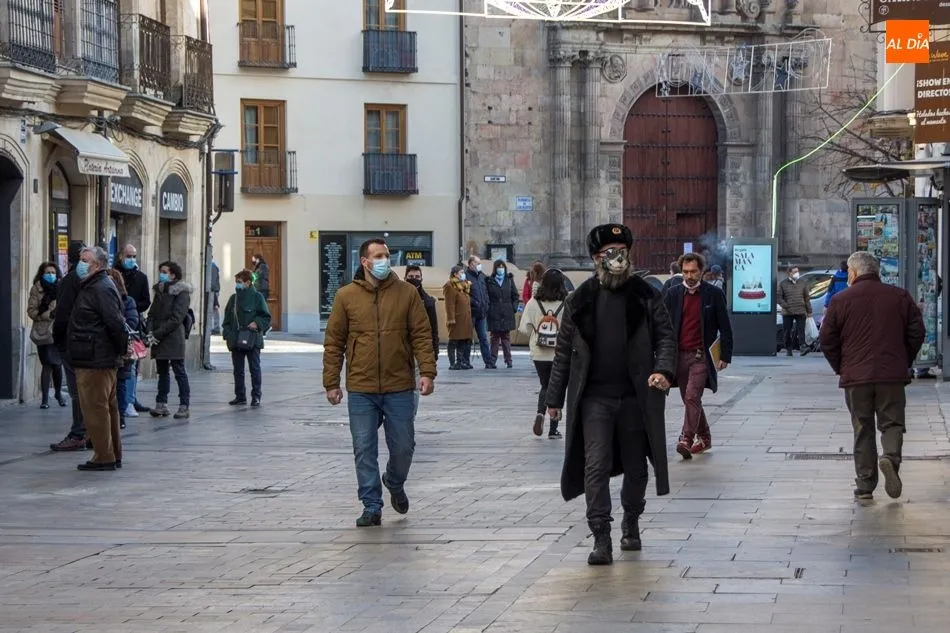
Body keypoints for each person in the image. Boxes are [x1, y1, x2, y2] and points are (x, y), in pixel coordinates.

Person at [546, 224, 677, 565]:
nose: (617, 257)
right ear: (596, 258)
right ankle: (601, 536)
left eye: (622, 250)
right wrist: (552, 402)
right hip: (594, 399)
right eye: (609, 252)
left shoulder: (647, 294)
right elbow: (562, 354)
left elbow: (665, 337)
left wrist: (663, 370)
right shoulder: (579, 299)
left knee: (637, 468)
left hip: (636, 397)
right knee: (596, 465)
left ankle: (631, 521)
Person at [323, 238, 437, 527]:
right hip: (361, 388)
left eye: (386, 255)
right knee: (363, 447)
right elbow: (334, 342)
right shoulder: (345, 296)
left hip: (399, 385)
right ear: (365, 262)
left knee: (404, 447)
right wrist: (331, 382)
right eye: (378, 256)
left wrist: (427, 372)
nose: (384, 260)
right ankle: (371, 506)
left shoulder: (407, 293)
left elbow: (422, 335)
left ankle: (394, 481)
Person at [820, 251, 925, 501]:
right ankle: (889, 457)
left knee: (862, 428)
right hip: (891, 376)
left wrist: (841, 366)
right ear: (877, 272)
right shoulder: (899, 296)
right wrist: (903, 360)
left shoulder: (840, 300)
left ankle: (865, 487)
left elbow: (826, 340)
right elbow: (917, 332)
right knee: (892, 424)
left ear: (853, 273)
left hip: (856, 377)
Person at [664, 253, 734, 459]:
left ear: (701, 271)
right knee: (690, 400)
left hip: (701, 356)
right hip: (679, 356)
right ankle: (704, 437)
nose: (689, 276)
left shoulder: (713, 294)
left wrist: (725, 356)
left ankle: (686, 438)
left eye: (693, 271)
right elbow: (663, 326)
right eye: (685, 272)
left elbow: (725, 327)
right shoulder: (673, 294)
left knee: (692, 396)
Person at [68, 247, 128, 471]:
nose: (80, 264)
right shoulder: (96, 285)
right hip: (96, 355)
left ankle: (104, 456)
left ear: (98, 265)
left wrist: (120, 351)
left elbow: (115, 323)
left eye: (85, 260)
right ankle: (111, 453)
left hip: (95, 358)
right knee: (105, 409)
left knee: (95, 409)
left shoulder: (100, 287)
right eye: (81, 260)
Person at [518, 268, 567, 438]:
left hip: (539, 353)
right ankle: (553, 430)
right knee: (557, 388)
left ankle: (540, 413)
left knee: (545, 385)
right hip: (560, 353)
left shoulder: (533, 302)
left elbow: (524, 329)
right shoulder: (566, 303)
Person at [49, 241, 88, 452]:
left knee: (77, 391)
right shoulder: (87, 279)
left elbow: (63, 313)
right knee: (86, 390)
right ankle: (88, 432)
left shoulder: (72, 280)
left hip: (72, 341)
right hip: (85, 341)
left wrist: (58, 340)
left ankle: (79, 433)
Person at [146, 261, 192, 420]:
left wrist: (157, 333)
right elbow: (151, 314)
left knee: (179, 371)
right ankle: (161, 404)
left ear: (173, 274)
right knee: (162, 371)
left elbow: (177, 318)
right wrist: (150, 330)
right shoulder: (159, 290)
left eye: (165, 272)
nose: (162, 274)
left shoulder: (182, 292)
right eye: (161, 271)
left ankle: (184, 405)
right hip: (159, 337)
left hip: (173, 337)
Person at [221, 269, 271, 408]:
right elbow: (227, 319)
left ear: (248, 282)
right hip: (236, 339)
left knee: (254, 368)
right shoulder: (233, 299)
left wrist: (257, 323)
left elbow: (266, 317)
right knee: (238, 369)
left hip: (252, 339)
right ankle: (240, 395)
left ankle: (256, 396)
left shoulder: (257, 297)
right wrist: (228, 334)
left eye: (239, 282)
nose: (237, 285)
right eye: (236, 282)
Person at [114, 244, 151, 417]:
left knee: (132, 366)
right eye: (128, 256)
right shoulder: (112, 274)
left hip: (133, 326)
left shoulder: (141, 277)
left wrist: (132, 306)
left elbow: (146, 300)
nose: (132, 259)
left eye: (134, 256)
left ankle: (130, 399)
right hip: (116, 325)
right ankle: (123, 401)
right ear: (121, 255)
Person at [28, 262, 67, 409]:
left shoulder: (62, 288)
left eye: (53, 272)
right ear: (42, 274)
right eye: (47, 272)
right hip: (43, 332)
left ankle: (58, 393)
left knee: (57, 365)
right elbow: (31, 311)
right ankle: (44, 399)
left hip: (57, 331)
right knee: (47, 365)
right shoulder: (36, 289)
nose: (51, 275)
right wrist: (48, 314)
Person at [105, 269, 140, 430]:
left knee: (120, 383)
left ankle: (120, 415)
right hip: (105, 347)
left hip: (122, 346)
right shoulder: (101, 299)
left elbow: (132, 322)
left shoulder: (128, 301)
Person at [485, 259, 519, 369]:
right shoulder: (490, 281)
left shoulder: (509, 280)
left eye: (502, 267)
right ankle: (492, 361)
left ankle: (508, 360)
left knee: (505, 337)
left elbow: (515, 296)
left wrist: (513, 308)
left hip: (506, 312)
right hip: (494, 312)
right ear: (495, 268)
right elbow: (487, 297)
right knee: (494, 338)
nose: (500, 269)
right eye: (498, 267)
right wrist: (489, 309)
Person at [404, 266, 439, 363]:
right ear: (405, 278)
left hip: (421, 347)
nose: (414, 279)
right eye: (411, 276)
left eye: (417, 276)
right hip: (401, 349)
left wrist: (435, 352)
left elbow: (433, 328)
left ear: (421, 279)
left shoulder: (428, 302)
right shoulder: (397, 299)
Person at [443, 265, 474, 371]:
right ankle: (452, 362)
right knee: (454, 340)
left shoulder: (463, 285)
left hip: (465, 319)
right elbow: (449, 304)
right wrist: (451, 318)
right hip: (456, 319)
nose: (463, 274)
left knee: (463, 340)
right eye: (461, 272)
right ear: (455, 274)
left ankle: (460, 361)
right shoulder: (450, 285)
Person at [778, 265, 812, 356]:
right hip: (788, 312)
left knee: (801, 330)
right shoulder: (783, 284)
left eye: (797, 271)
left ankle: (802, 347)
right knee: (787, 331)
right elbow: (779, 297)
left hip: (800, 310)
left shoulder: (802, 283)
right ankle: (789, 348)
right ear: (789, 273)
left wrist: (809, 311)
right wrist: (786, 306)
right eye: (794, 272)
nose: (797, 273)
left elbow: (806, 298)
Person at [466, 256, 492, 368]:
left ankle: (488, 362)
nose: (479, 265)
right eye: (478, 263)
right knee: (467, 337)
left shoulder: (481, 276)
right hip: (471, 312)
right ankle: (465, 361)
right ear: (471, 264)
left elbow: (485, 292)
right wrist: (474, 302)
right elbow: (464, 294)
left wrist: (486, 303)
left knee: (483, 337)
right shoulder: (466, 276)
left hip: (481, 312)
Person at [210, 258, 222, 335]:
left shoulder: (212, 266)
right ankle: (215, 327)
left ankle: (216, 327)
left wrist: (212, 290)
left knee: (214, 308)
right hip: (213, 290)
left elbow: (213, 281)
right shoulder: (213, 266)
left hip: (213, 291)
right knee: (214, 308)